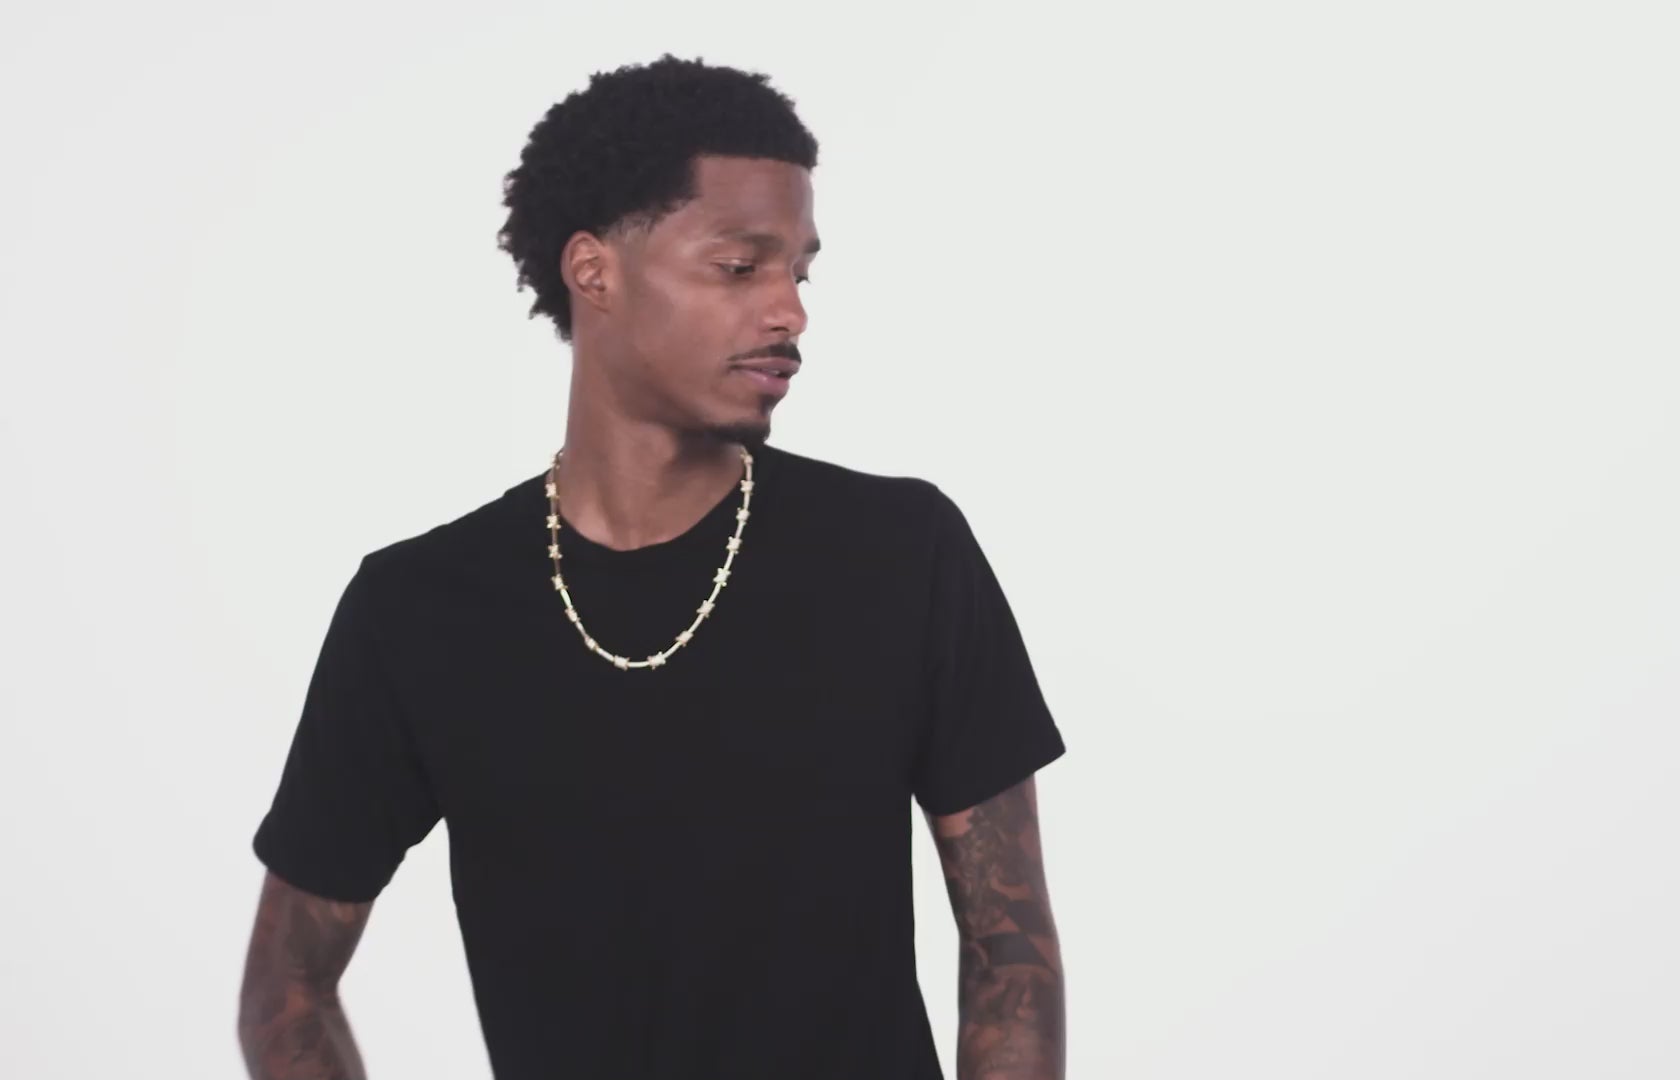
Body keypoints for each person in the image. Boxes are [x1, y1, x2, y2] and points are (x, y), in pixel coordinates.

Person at [236, 55, 1068, 1079]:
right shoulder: (420, 610)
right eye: (741, 267)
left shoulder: (901, 554)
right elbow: (286, 994)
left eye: (799, 272)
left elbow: (1009, 956)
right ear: (595, 272)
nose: (790, 311)